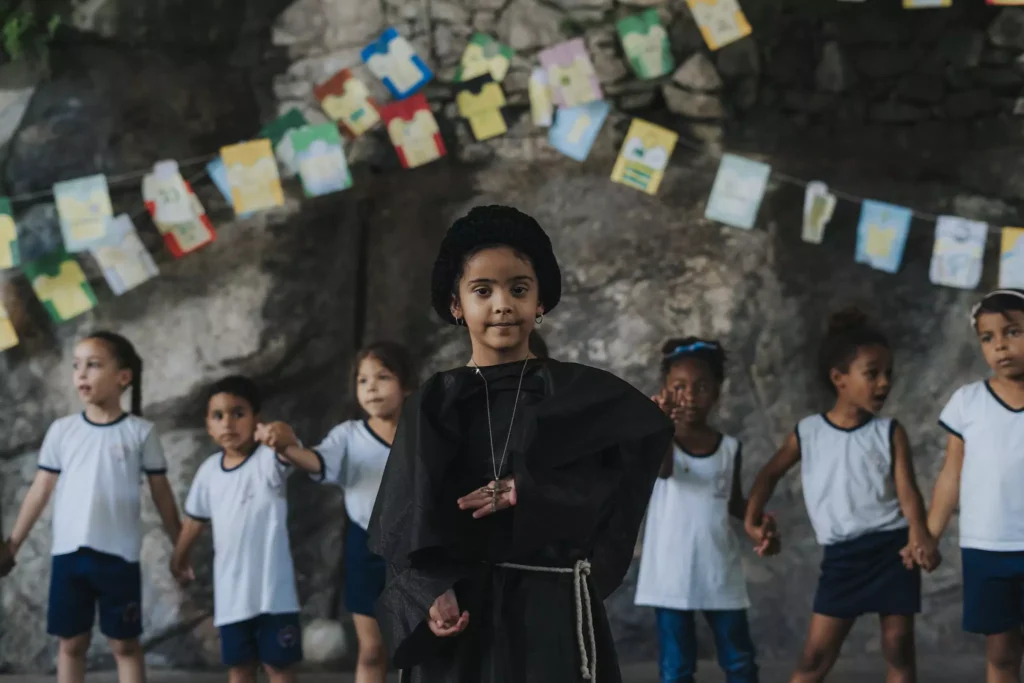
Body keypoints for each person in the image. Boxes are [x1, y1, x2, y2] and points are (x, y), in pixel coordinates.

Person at [366, 205, 674, 683]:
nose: (502, 304)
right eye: (482, 291)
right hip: (460, 603)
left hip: (546, 608)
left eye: (519, 288)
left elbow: (615, 486)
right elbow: (406, 511)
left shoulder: (581, 396)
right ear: (456, 305)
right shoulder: (432, 403)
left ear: (541, 302)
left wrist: (529, 488)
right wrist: (428, 589)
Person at [744, 307, 938, 683]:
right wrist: (753, 518)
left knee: (898, 646)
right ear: (839, 379)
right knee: (815, 657)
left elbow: (908, 492)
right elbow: (768, 475)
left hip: (891, 550)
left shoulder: (889, 432)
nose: (884, 383)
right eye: (872, 374)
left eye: (888, 374)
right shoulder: (809, 433)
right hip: (844, 558)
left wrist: (920, 533)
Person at [4, 331, 184, 683]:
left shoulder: (141, 433)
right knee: (71, 643)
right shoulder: (62, 431)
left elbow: (162, 495)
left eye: (94, 365)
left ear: (123, 377)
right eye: (76, 366)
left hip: (119, 558)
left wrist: (182, 547)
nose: (82, 374)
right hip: (70, 557)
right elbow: (39, 491)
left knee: (125, 645)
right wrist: (13, 544)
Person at [257, 341, 417, 683]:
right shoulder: (348, 436)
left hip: (418, 548)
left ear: (407, 386)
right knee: (372, 650)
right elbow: (316, 461)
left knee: (417, 650)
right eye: (362, 380)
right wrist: (286, 445)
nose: (371, 386)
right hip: (367, 548)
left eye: (383, 377)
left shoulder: (423, 435)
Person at [171, 376, 324, 683]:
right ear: (208, 425)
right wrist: (179, 557)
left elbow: (286, 439)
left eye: (238, 413)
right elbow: (194, 520)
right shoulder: (208, 472)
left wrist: (278, 434)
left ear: (257, 419)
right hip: (231, 601)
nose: (228, 422)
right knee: (240, 671)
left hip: (275, 599)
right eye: (218, 415)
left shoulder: (269, 460)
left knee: (279, 669)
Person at [635, 337, 760, 683]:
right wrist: (660, 428)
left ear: (718, 391)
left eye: (701, 387)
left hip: (719, 569)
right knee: (676, 667)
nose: (690, 395)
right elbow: (665, 471)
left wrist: (759, 522)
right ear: (665, 391)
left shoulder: (729, 449)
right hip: (672, 574)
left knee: (740, 660)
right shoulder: (661, 442)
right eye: (679, 387)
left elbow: (733, 503)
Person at [927, 289, 1024, 683]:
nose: (1000, 345)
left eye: (1013, 332)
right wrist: (929, 536)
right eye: (988, 337)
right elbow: (951, 475)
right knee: (1001, 654)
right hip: (988, 547)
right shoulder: (968, 402)